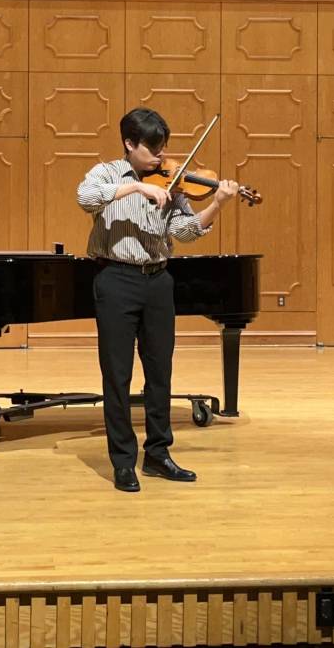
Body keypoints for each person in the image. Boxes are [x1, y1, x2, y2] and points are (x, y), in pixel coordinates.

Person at [76, 108, 238, 492]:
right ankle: (122, 462)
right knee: (117, 376)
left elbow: (183, 231)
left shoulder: (172, 181)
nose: (161, 157)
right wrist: (136, 187)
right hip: (115, 279)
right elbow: (85, 199)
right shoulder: (106, 174)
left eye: (163, 148)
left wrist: (218, 205)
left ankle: (158, 455)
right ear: (129, 144)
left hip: (158, 282)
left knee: (159, 373)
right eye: (152, 149)